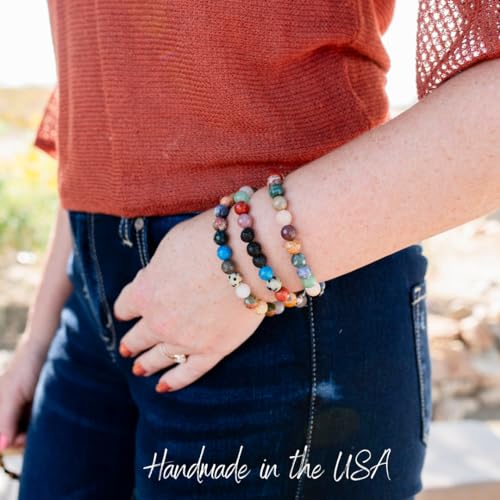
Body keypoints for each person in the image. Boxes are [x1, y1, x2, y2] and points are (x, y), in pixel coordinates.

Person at [0, 0, 498, 498]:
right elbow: (103, 117)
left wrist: (241, 258)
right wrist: (37, 340)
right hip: (90, 318)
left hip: (283, 312)